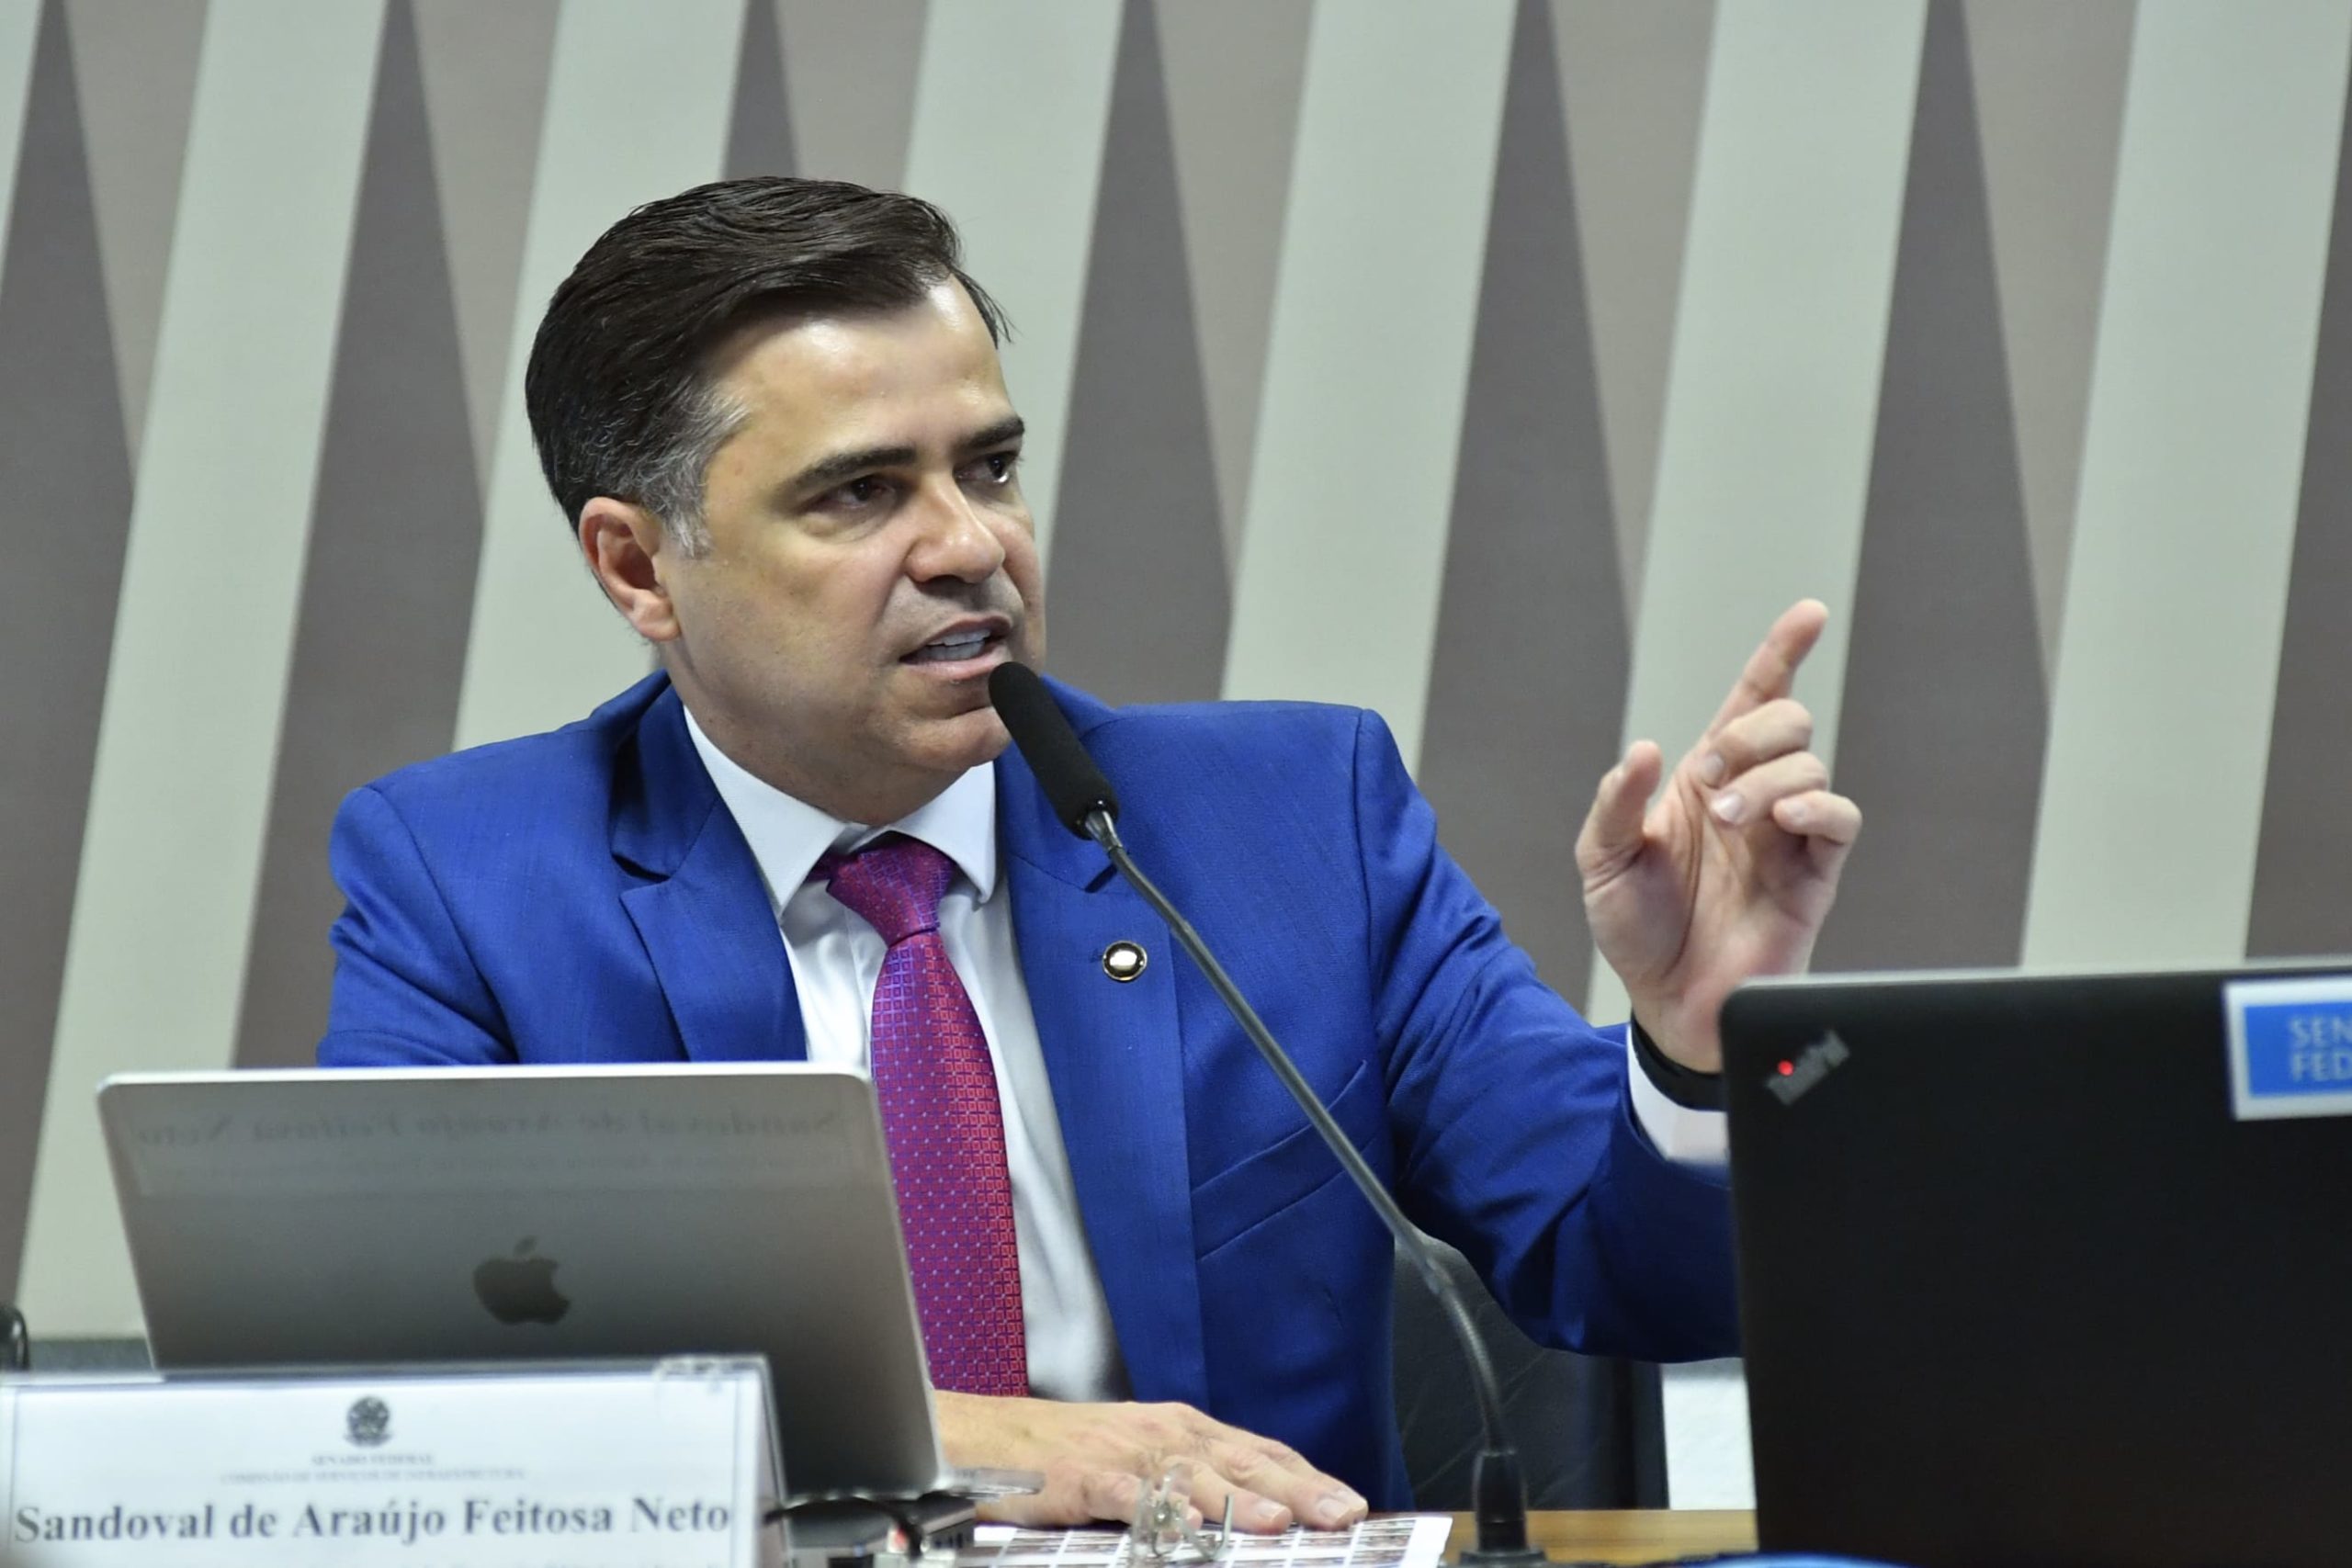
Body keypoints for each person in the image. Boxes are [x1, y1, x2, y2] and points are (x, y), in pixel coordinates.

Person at [320, 177, 1859, 1529]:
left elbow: (1640, 1279)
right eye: (863, 492)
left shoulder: (1290, 819)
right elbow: (386, 1397)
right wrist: (953, 1444)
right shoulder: (473, 880)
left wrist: (1694, 1046)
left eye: (987, 467)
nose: (970, 545)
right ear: (639, 565)